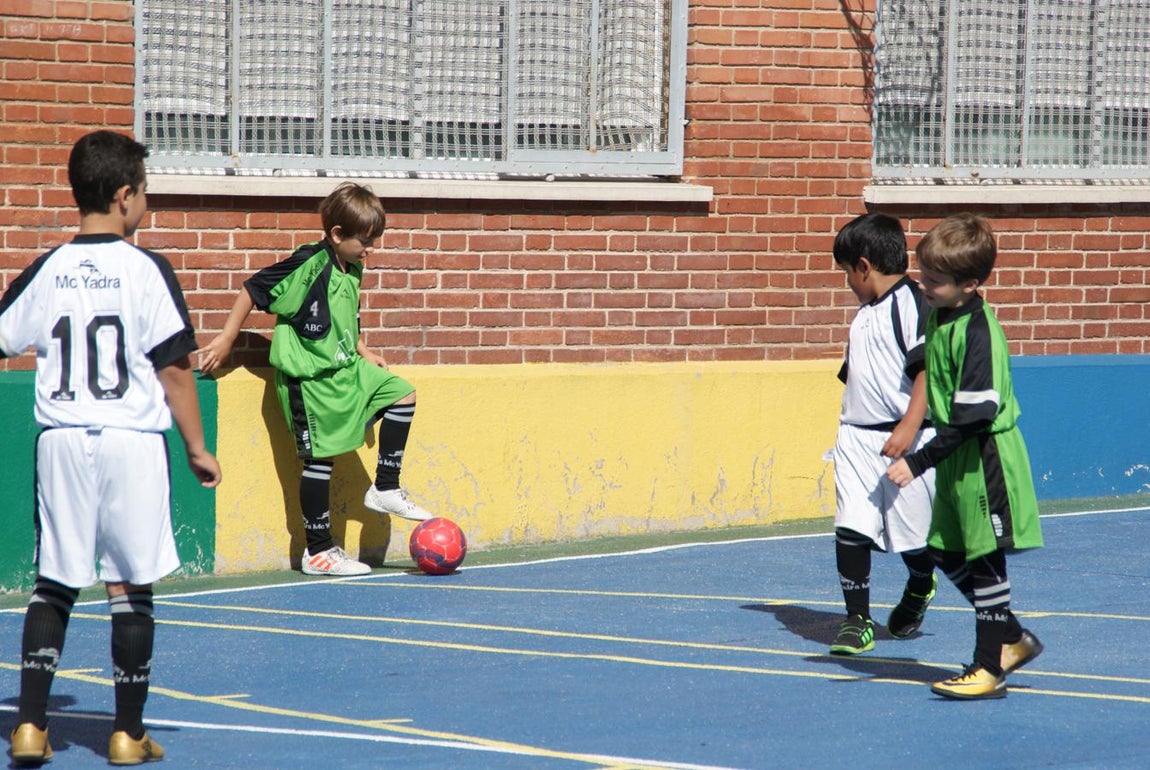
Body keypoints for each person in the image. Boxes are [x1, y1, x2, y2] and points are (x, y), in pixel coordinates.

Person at [2, 130, 222, 765]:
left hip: (63, 440)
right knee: (129, 585)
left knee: (54, 584)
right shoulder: (145, 268)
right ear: (125, 196)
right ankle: (127, 732)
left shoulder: (50, 267)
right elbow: (175, 367)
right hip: (131, 440)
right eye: (145, 192)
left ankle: (30, 726)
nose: (145, 204)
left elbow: (4, 334)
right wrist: (197, 446)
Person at [198, 182, 433, 578]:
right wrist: (226, 338)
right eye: (365, 241)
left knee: (402, 394)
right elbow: (253, 289)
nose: (370, 249)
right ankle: (319, 551)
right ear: (337, 234)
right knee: (319, 460)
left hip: (345, 370)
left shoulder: (353, 265)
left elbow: (348, 311)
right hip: (309, 384)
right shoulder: (309, 264)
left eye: (375, 240)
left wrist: (361, 348)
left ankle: (386, 487)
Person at [886, 213, 1044, 700]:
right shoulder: (941, 315)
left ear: (970, 284)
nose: (924, 286)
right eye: (922, 275)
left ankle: (988, 667)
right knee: (945, 552)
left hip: (984, 456)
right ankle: (1012, 639)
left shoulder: (978, 333)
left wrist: (918, 460)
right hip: (957, 457)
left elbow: (973, 418)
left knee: (985, 560)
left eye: (934, 281)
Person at [828, 213, 937, 656]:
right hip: (856, 439)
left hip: (906, 443)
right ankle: (857, 620)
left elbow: (928, 370)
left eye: (846, 272)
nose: (847, 282)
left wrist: (909, 426)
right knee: (851, 527)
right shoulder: (862, 316)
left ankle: (920, 584)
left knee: (912, 537)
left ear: (864, 266)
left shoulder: (912, 303)